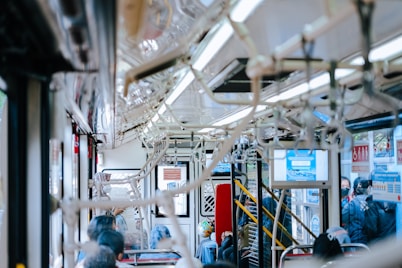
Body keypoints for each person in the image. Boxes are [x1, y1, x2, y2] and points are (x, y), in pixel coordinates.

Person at [341, 177, 370, 244]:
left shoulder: (352, 203)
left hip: (355, 239)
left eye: (347, 187)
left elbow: (342, 217)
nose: (345, 189)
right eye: (342, 186)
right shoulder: (371, 202)